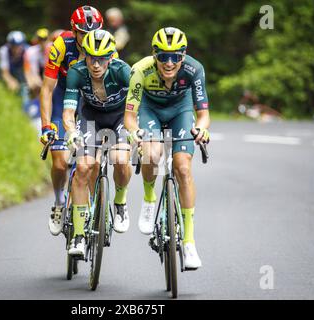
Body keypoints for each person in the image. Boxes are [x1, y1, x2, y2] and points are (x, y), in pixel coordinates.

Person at [124, 27, 211, 269]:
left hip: (180, 110)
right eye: (163, 56)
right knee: (152, 154)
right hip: (149, 109)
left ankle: (189, 241)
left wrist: (202, 129)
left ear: (184, 56)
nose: (169, 62)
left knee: (183, 168)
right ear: (154, 55)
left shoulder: (195, 69)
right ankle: (150, 199)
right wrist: (134, 133)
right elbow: (129, 116)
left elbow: (203, 115)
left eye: (175, 56)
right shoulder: (140, 70)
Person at [62, 30, 132, 257]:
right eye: (91, 57)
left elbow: (139, 104)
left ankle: (120, 203)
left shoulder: (123, 71)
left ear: (111, 57)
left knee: (120, 159)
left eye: (102, 58)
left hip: (120, 116)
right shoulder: (76, 72)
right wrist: (72, 132)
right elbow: (69, 111)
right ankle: (79, 235)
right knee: (83, 167)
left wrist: (136, 130)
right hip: (90, 117)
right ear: (85, 55)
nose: (96, 64)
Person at [40, 6, 103, 236]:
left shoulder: (106, 46)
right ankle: (58, 202)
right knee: (59, 163)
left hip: (89, 104)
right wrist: (46, 125)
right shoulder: (60, 45)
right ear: (73, 31)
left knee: (91, 164)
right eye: (83, 35)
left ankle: (95, 208)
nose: (88, 40)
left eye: (92, 33)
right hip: (61, 100)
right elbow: (47, 89)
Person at [0, 30, 30, 105]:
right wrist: (10, 81)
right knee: (10, 85)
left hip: (22, 72)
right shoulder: (4, 50)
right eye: (14, 46)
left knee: (26, 86)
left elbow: (28, 70)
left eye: (20, 46)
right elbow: (4, 72)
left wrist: (28, 82)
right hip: (9, 71)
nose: (17, 49)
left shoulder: (28, 50)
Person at [24, 28, 50, 96]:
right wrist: (38, 84)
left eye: (45, 39)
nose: (42, 42)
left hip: (48, 73)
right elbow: (33, 71)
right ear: (37, 40)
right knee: (33, 85)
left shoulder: (52, 49)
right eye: (40, 39)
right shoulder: (32, 51)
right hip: (37, 72)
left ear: (48, 39)